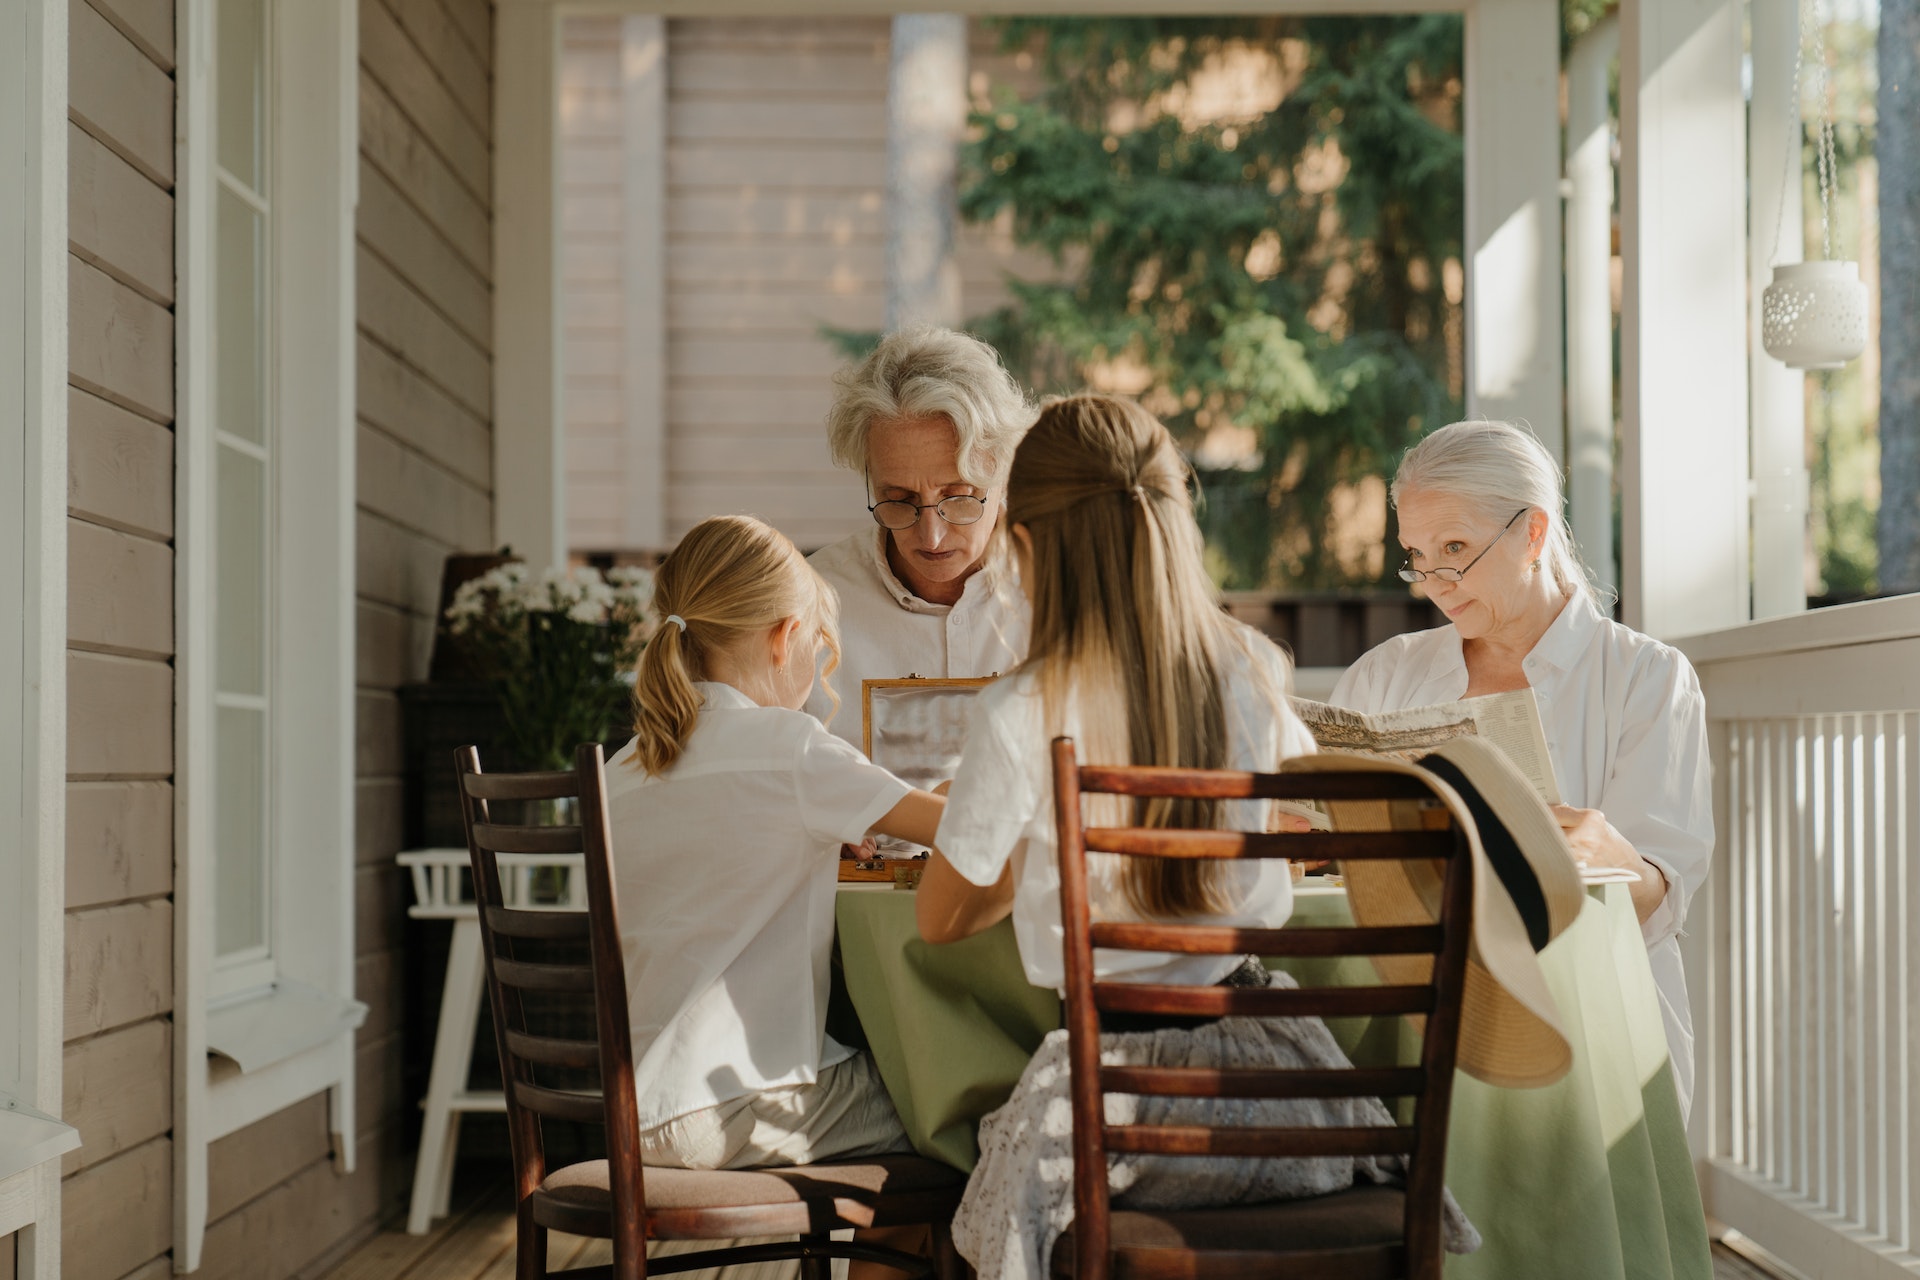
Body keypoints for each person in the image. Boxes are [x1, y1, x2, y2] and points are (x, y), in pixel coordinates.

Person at [910, 395, 1478, 1279]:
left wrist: (1041, 839)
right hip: (1291, 1103)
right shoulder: (1253, 672)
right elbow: (1283, 823)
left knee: (974, 1218)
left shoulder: (1023, 709)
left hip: (1121, 1124)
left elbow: (940, 920)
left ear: (1023, 547)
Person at [1330, 419, 1713, 1116]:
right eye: (1418, 555)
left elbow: (1661, 900)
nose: (1434, 581)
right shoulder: (1385, 675)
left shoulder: (1645, 678)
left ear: (1532, 533)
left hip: (1584, 1011)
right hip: (1416, 1001)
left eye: (1455, 549)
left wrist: (1615, 858)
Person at [604, 515, 945, 1273]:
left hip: (637, 1108)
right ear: (786, 636)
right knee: (952, 1112)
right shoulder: (790, 748)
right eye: (821, 650)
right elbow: (966, 832)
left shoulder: (623, 769)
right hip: (730, 1106)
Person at [804, 326, 1036, 749]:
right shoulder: (813, 604)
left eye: (960, 498)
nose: (931, 536)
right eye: (899, 499)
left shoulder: (1064, 589)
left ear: (1003, 470)